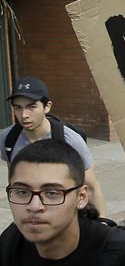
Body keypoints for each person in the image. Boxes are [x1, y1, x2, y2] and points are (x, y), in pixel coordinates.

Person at [3, 77, 106, 215]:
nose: (24, 115)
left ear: (47, 107)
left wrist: (103, 223)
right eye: (18, 108)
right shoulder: (8, 138)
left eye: (31, 107)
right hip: (31, 212)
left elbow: (92, 187)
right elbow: (14, 181)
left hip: (64, 213)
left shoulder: (70, 139)